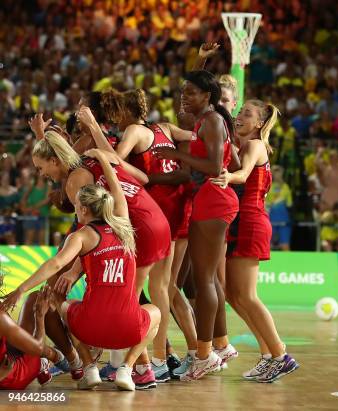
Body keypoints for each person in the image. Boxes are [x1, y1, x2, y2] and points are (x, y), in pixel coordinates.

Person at [3, 149, 161, 391]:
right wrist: (105, 162)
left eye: (77, 206)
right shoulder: (125, 226)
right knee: (155, 312)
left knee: (56, 301)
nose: (75, 209)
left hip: (91, 328)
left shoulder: (81, 236)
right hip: (127, 329)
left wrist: (20, 289)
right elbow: (117, 189)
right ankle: (126, 369)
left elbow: (55, 264)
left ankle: (86, 366)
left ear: (85, 210)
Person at [92, 88, 194, 382]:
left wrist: (95, 136)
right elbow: (197, 135)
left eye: (117, 115)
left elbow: (113, 160)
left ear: (125, 113)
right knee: (166, 288)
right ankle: (171, 355)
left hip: (152, 213)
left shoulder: (134, 131)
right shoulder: (165, 128)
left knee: (145, 290)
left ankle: (145, 360)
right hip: (175, 214)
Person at [153, 70, 238, 380]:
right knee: (208, 281)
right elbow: (233, 164)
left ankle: (204, 355)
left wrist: (176, 154)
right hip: (214, 199)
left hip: (213, 202)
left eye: (190, 92)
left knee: (204, 282)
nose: (184, 97)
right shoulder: (211, 121)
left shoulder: (212, 120)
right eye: (183, 91)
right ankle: (216, 348)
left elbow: (216, 166)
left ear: (206, 95)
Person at [211, 100, 299, 382]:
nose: (240, 116)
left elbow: (244, 173)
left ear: (260, 123)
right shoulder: (246, 145)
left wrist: (229, 177)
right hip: (242, 222)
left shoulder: (255, 145)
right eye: (239, 112)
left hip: (250, 221)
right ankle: (267, 354)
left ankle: (280, 354)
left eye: (247, 113)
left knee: (246, 295)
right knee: (234, 295)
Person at [0, 287, 56, 389]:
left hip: (6, 368)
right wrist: (40, 316)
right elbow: (38, 348)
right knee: (36, 298)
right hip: (16, 376)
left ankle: (51, 360)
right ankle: (54, 361)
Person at [267, 165, 293, 250]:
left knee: (285, 245)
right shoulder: (268, 186)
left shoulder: (286, 187)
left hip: (283, 221)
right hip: (270, 220)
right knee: (268, 245)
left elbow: (289, 204)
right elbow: (264, 202)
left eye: (279, 173)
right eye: (275, 173)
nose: (277, 175)